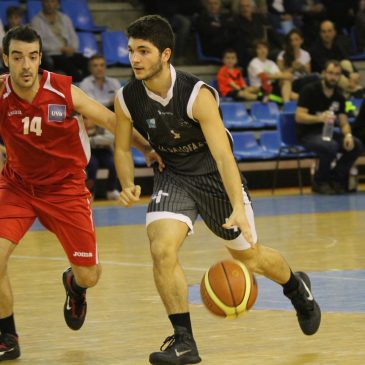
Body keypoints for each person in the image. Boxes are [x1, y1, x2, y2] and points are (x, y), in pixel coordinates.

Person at [114, 15, 321, 365]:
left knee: (250, 257)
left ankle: (296, 289)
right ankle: (184, 342)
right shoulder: (127, 97)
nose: (135, 59)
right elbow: (121, 148)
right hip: (174, 176)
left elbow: (224, 156)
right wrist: (127, 184)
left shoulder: (197, 95)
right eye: (132, 50)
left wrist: (238, 205)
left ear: (165, 54)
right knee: (162, 249)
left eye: (143, 51)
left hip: (215, 177)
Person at [0, 25, 161, 361]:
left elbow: (109, 120)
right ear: (6, 60)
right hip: (17, 187)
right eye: (17, 58)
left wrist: (145, 149)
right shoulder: (1, 94)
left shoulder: (61, 90)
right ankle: (7, 336)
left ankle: (75, 285)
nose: (25, 65)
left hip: (65, 190)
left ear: (40, 58)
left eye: (32, 57)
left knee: (90, 274)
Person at [295, 60, 363, 194]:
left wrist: (348, 135)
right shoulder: (309, 90)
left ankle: (336, 179)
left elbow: (343, 122)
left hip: (328, 133)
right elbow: (299, 116)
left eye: (337, 74)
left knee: (357, 145)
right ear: (323, 73)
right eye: (331, 73)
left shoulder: (339, 96)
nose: (333, 77)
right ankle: (320, 181)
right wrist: (319, 118)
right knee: (330, 146)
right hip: (308, 134)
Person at [79, 54, 121, 200]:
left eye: (102, 65)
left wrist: (100, 106)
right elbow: (89, 107)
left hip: (105, 126)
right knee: (92, 165)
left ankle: (112, 189)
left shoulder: (114, 82)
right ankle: (90, 192)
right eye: (95, 65)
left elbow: (117, 102)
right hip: (90, 126)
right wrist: (106, 104)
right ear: (90, 68)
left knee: (114, 161)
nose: (99, 68)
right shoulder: (85, 83)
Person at [31, 0, 89, 82]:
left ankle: (86, 85)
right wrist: (60, 49)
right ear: (42, 3)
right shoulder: (36, 21)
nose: (50, 5)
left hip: (68, 51)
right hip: (52, 54)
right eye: (47, 2)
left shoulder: (65, 18)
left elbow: (73, 36)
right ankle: (78, 86)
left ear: (57, 4)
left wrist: (72, 48)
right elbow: (39, 42)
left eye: (52, 2)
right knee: (68, 64)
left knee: (86, 62)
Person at [276, 28, 318, 94]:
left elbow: (308, 73)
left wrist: (302, 67)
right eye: (291, 40)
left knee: (316, 77)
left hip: (302, 81)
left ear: (301, 40)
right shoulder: (282, 54)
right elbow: (279, 74)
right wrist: (293, 69)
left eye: (296, 40)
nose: (294, 43)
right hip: (289, 82)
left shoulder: (306, 54)